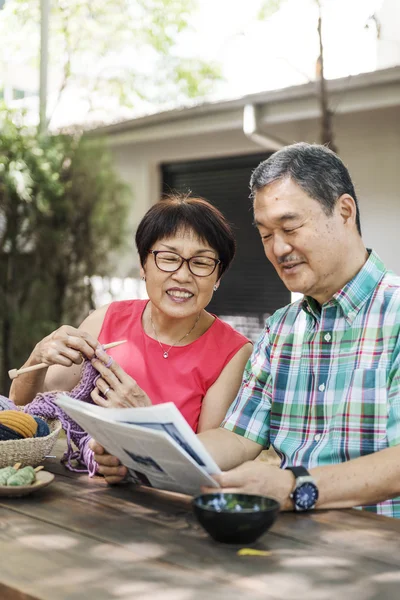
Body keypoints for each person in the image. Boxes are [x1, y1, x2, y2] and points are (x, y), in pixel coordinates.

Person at [94, 143, 400, 517]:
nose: (278, 248)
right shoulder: (282, 329)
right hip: (291, 538)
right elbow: (237, 436)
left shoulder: (394, 314)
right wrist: (143, 460)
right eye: (266, 235)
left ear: (344, 211)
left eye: (289, 227)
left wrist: (294, 488)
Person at [10, 194, 252, 437]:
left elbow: (209, 459)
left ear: (218, 276)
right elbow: (24, 411)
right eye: (169, 258)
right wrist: (38, 356)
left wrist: (145, 418)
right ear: (143, 265)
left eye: (201, 262)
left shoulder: (233, 353)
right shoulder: (106, 320)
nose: (182, 275)